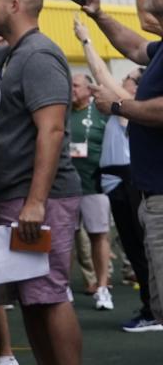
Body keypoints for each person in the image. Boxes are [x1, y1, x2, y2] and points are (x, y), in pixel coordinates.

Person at [0, 0, 82, 365]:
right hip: (15, 198)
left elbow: (52, 129)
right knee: (31, 300)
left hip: (40, 199)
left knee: (49, 295)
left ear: (14, 5)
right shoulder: (9, 55)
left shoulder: (39, 54)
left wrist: (36, 202)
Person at [76, 0, 163, 333]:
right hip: (151, 193)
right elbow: (133, 44)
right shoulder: (161, 49)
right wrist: (98, 16)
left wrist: (116, 105)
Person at [67, 72, 114, 309]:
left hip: (95, 185)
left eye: (75, 85)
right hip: (64, 187)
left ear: (88, 89)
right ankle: (62, 287)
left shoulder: (100, 112)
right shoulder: (61, 110)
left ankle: (103, 288)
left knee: (99, 236)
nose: (71, 89)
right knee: (64, 239)